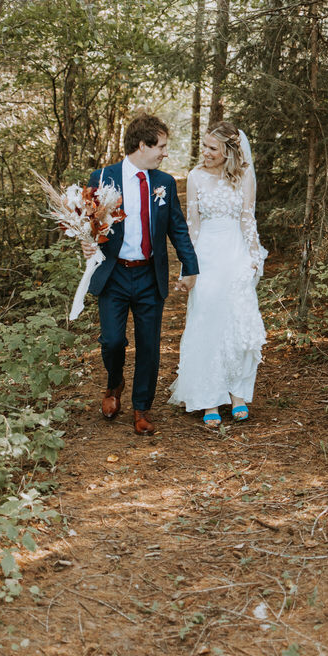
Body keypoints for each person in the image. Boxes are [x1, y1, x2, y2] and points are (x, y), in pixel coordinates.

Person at [83, 113, 199, 435]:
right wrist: (87, 245)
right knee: (112, 341)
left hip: (149, 275)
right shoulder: (103, 177)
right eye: (160, 146)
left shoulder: (164, 183)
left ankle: (141, 408)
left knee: (149, 344)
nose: (164, 153)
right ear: (142, 145)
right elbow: (88, 225)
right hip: (114, 274)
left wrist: (190, 266)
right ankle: (114, 382)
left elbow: (177, 227)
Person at [169, 122, 267, 428]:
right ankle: (209, 397)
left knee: (237, 324)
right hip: (207, 256)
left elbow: (247, 218)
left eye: (213, 147)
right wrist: (189, 267)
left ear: (228, 151)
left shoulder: (244, 174)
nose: (206, 152)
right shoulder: (196, 177)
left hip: (235, 253)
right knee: (206, 321)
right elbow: (192, 225)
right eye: (204, 146)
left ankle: (238, 395)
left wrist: (253, 256)